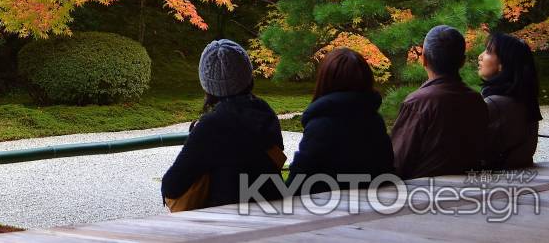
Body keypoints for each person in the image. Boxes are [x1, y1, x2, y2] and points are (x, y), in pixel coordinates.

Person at [161, 39, 285, 208]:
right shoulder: (266, 114)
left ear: (207, 84)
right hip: (273, 214)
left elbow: (171, 186)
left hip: (228, 222)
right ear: (247, 75)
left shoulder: (212, 126)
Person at [390, 25, 488, 179]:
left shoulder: (418, 102)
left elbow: (397, 162)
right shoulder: (476, 100)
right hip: (470, 191)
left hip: (422, 194)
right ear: (462, 61)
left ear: (424, 59)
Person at [287, 48, 394, 189]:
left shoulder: (321, 126)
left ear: (325, 80)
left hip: (324, 206)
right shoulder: (375, 122)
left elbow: (298, 180)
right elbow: (386, 168)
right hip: (374, 205)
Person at [478, 32, 542, 168]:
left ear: (503, 64)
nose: (480, 56)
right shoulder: (525, 100)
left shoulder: (494, 105)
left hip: (493, 181)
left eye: (488, 51)